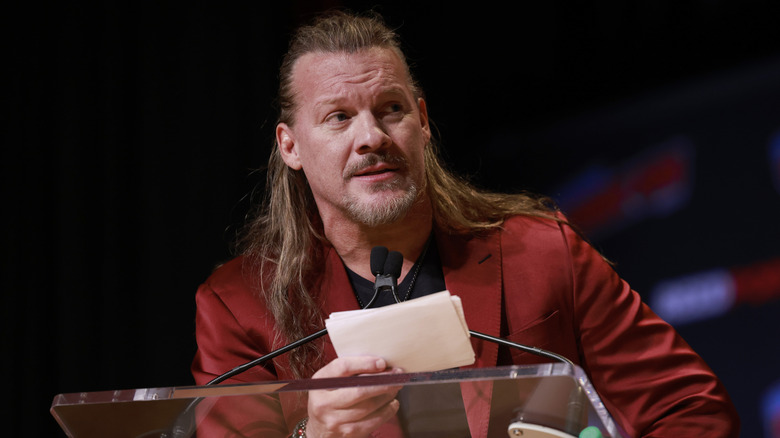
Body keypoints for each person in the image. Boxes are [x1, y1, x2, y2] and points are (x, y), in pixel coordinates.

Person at [191, 10, 740, 438]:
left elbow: (693, 410)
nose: (372, 136)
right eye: (339, 117)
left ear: (423, 122)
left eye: (391, 109)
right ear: (291, 146)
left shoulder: (541, 250)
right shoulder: (239, 309)